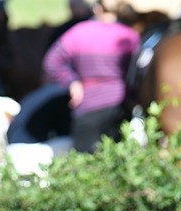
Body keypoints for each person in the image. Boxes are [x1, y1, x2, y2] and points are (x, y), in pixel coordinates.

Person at [42, 0, 139, 153]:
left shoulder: (79, 32)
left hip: (89, 103)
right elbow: (136, 72)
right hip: (120, 104)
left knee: (83, 161)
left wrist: (73, 82)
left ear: (97, 9)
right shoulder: (129, 36)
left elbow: (52, 61)